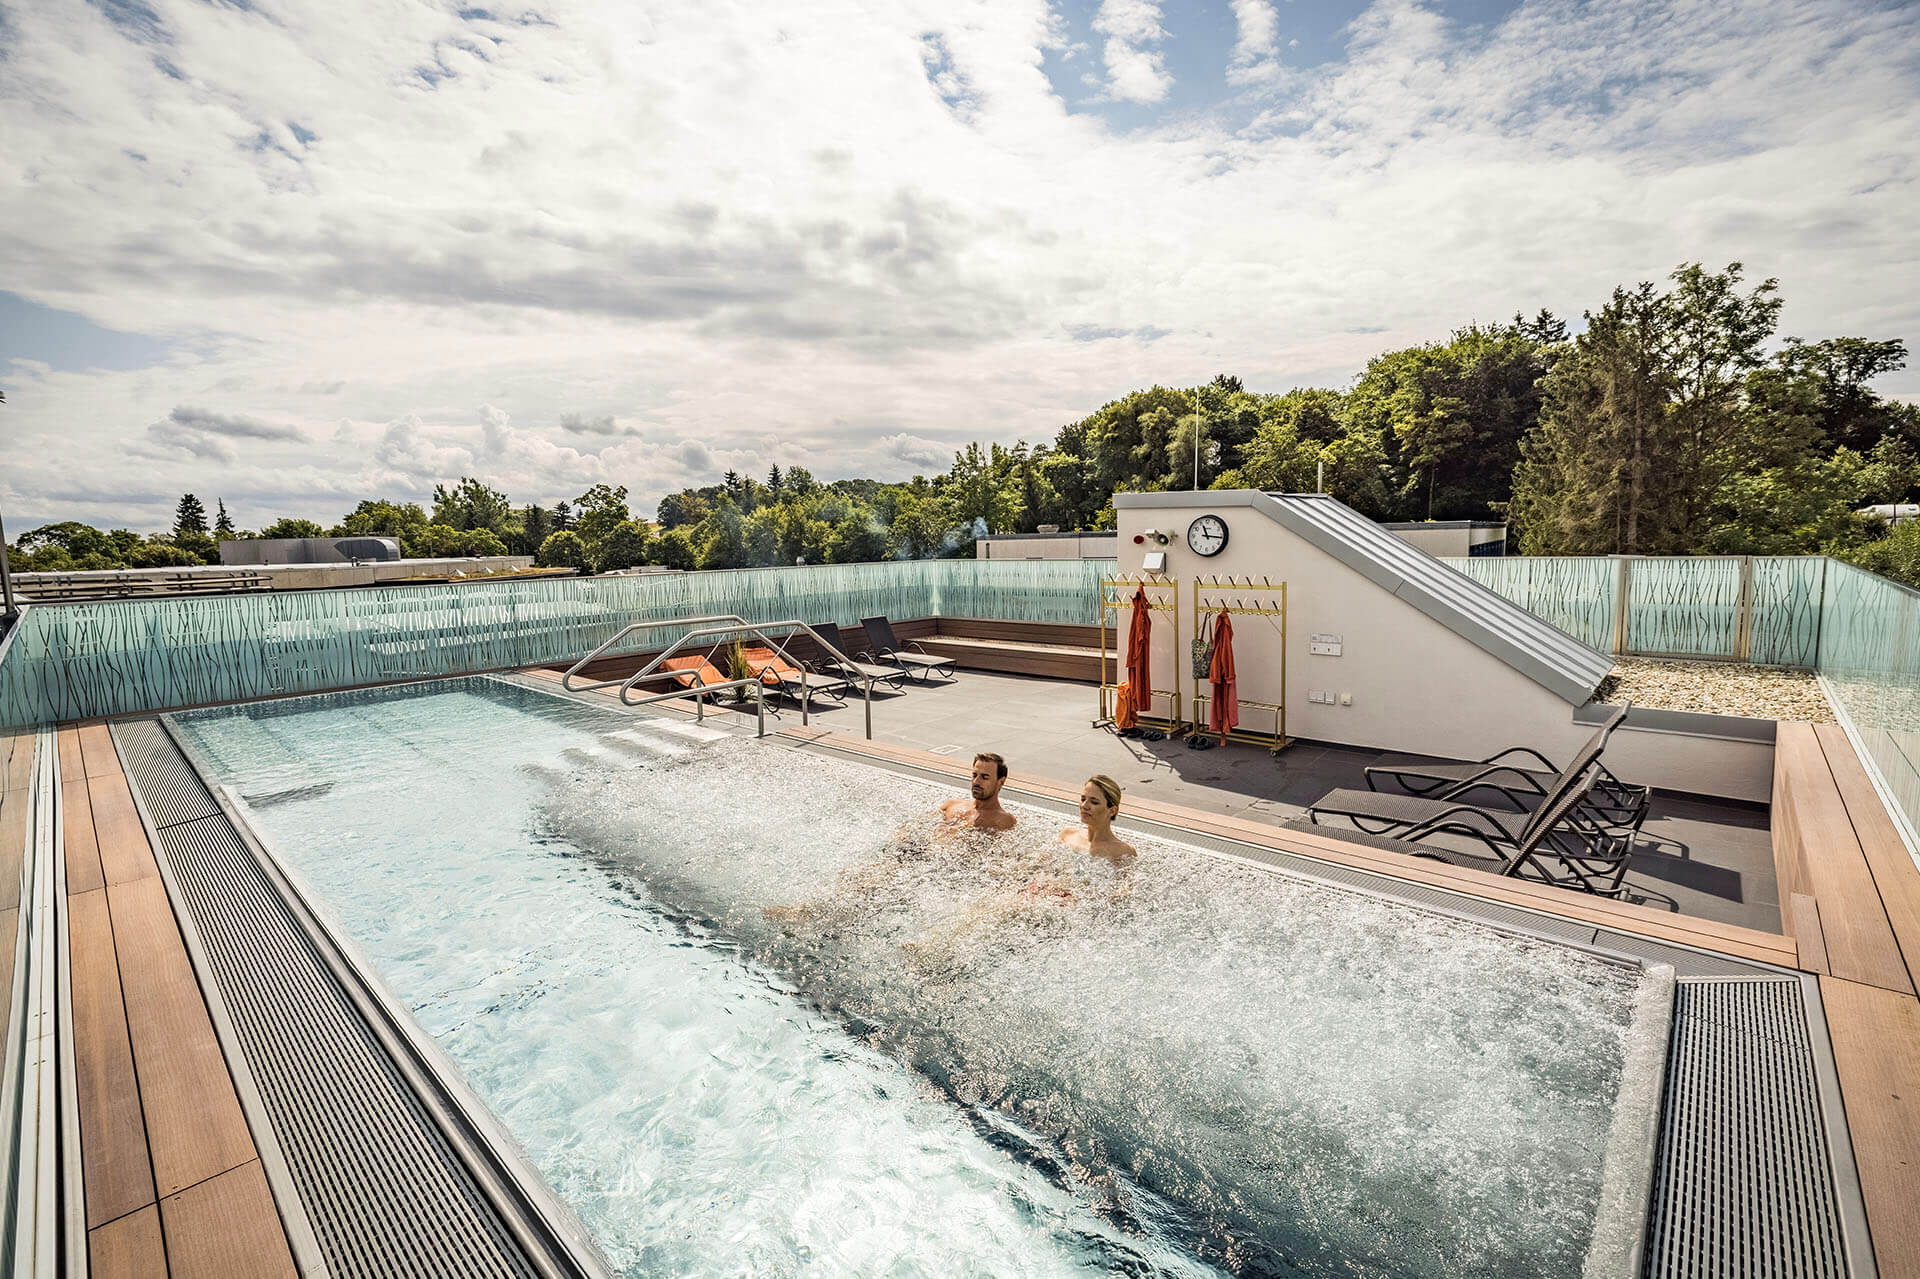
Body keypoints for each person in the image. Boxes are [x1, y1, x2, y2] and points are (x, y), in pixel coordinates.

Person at [936, 753, 1017, 833]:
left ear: (1001, 781)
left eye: (984, 777)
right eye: (975, 775)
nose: (976, 782)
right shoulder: (951, 805)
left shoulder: (1004, 820)